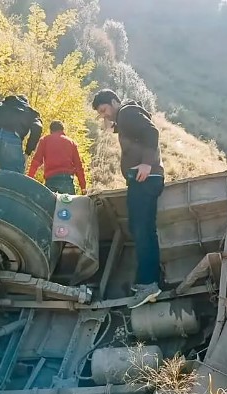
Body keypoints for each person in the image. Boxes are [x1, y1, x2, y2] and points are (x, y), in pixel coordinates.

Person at [92, 89, 164, 309]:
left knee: (141, 229)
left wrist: (146, 163)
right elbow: (136, 134)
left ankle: (149, 283)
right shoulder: (124, 117)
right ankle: (151, 280)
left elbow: (151, 132)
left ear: (114, 102)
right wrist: (113, 126)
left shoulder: (127, 112)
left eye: (104, 110)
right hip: (144, 180)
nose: (103, 115)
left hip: (145, 178)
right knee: (141, 228)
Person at [27, 120, 87, 195]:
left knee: (49, 205)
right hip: (67, 181)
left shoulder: (45, 140)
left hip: (51, 180)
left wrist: (29, 179)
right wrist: (83, 187)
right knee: (68, 205)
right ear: (62, 130)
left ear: (51, 130)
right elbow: (78, 166)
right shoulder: (71, 142)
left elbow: (36, 162)